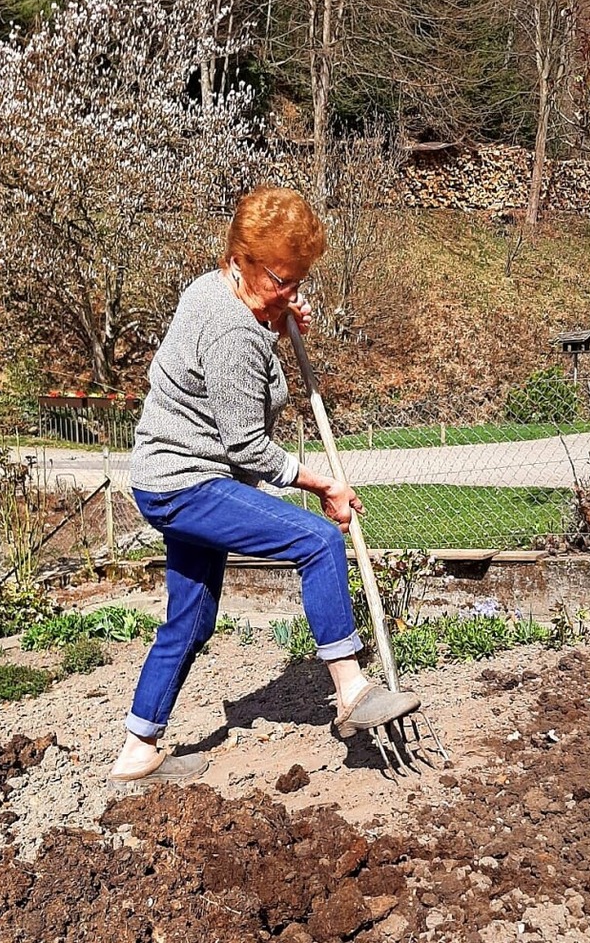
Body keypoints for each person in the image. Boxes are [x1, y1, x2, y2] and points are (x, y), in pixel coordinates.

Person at [109, 186, 420, 785]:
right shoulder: (233, 331)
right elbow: (247, 447)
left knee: (191, 619)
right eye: (283, 280)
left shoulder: (216, 290)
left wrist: (276, 317)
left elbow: (250, 380)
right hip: (186, 483)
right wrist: (322, 484)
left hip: (168, 477)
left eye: (299, 281)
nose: (293, 293)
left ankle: (137, 747)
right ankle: (352, 691)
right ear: (243, 259)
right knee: (315, 540)